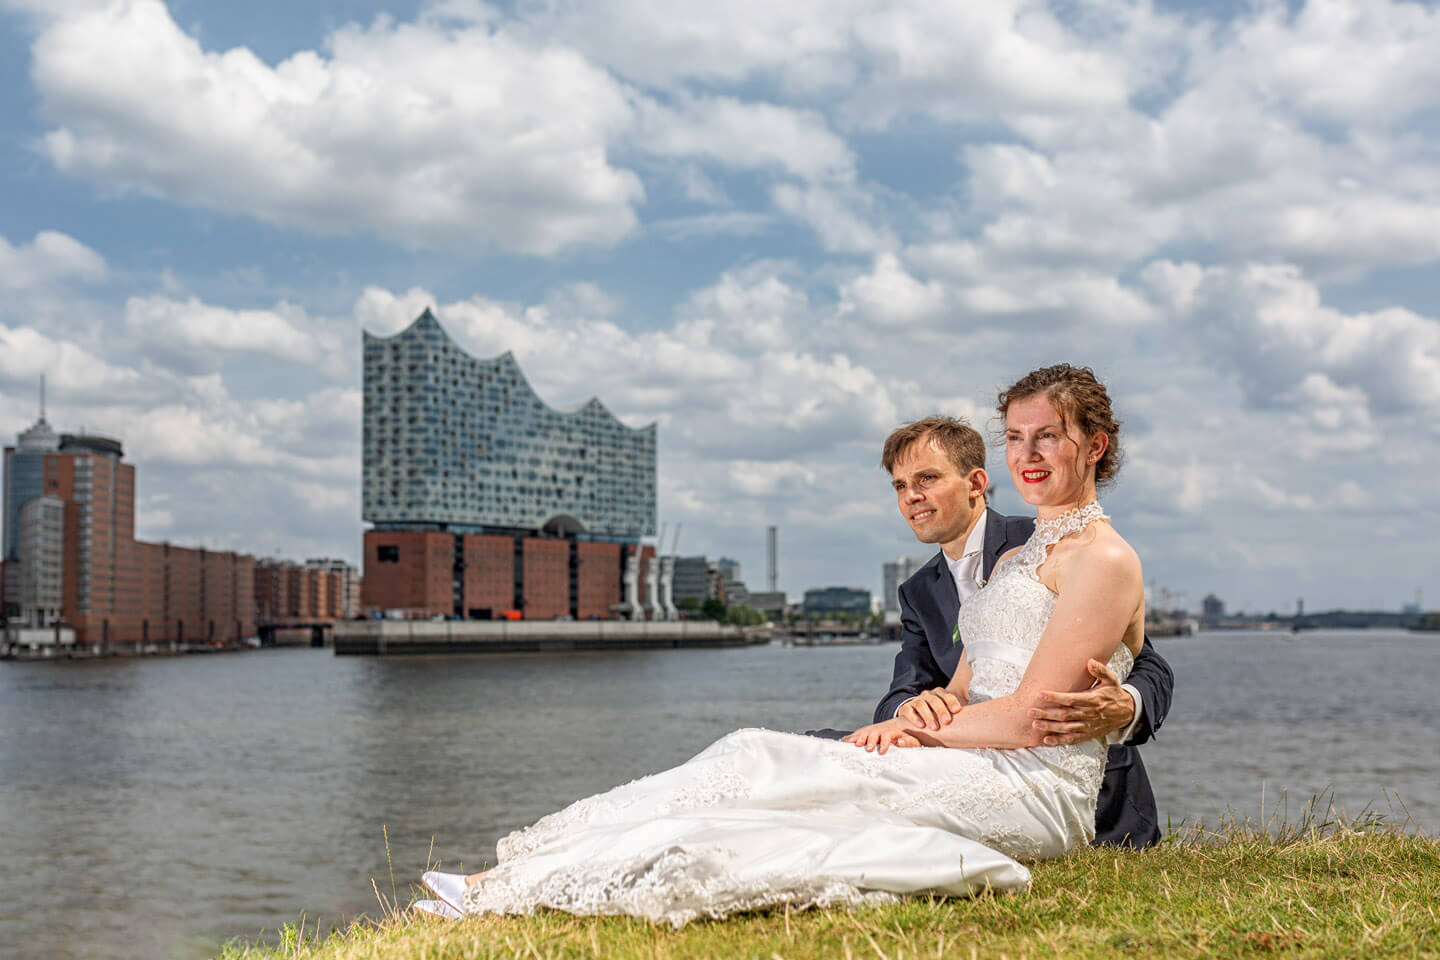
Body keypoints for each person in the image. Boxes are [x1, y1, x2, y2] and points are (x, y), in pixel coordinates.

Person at [416, 364, 1152, 925]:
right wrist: (920, 712)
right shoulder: (1011, 565)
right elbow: (956, 682)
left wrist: (1122, 703)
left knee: (806, 789)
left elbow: (1040, 711)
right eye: (1017, 436)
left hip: (1035, 785)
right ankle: (513, 874)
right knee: (751, 754)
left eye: (1046, 436)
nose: (1029, 453)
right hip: (968, 749)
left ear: (1093, 445)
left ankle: (520, 892)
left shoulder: (1101, 558)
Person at [824, 411, 1172, 846]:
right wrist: (910, 712)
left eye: (927, 479)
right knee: (810, 751)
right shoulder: (917, 592)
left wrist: (1124, 705)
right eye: (900, 486)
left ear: (975, 484)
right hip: (968, 758)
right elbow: (904, 688)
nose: (912, 496)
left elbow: (1147, 661)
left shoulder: (1047, 539)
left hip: (1087, 793)